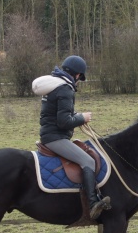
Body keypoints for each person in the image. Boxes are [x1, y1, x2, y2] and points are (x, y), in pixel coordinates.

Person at [38, 55, 111, 219]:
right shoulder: (65, 89)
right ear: (77, 75)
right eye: (79, 78)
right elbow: (63, 121)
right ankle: (93, 203)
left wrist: (76, 115)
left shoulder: (54, 85)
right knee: (88, 161)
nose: (78, 81)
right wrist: (82, 118)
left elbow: (58, 113)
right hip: (55, 138)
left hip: (50, 134)